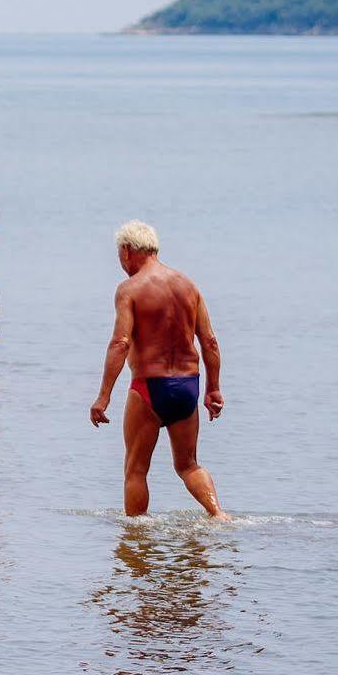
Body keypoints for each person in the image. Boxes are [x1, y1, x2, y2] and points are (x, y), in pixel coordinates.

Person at [88, 221, 229, 520]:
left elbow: (120, 343)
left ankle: (136, 540)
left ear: (127, 251)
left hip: (150, 388)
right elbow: (210, 342)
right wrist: (213, 389)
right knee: (188, 465)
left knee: (135, 470)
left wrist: (103, 397)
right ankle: (217, 513)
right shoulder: (188, 286)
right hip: (188, 387)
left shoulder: (130, 289)